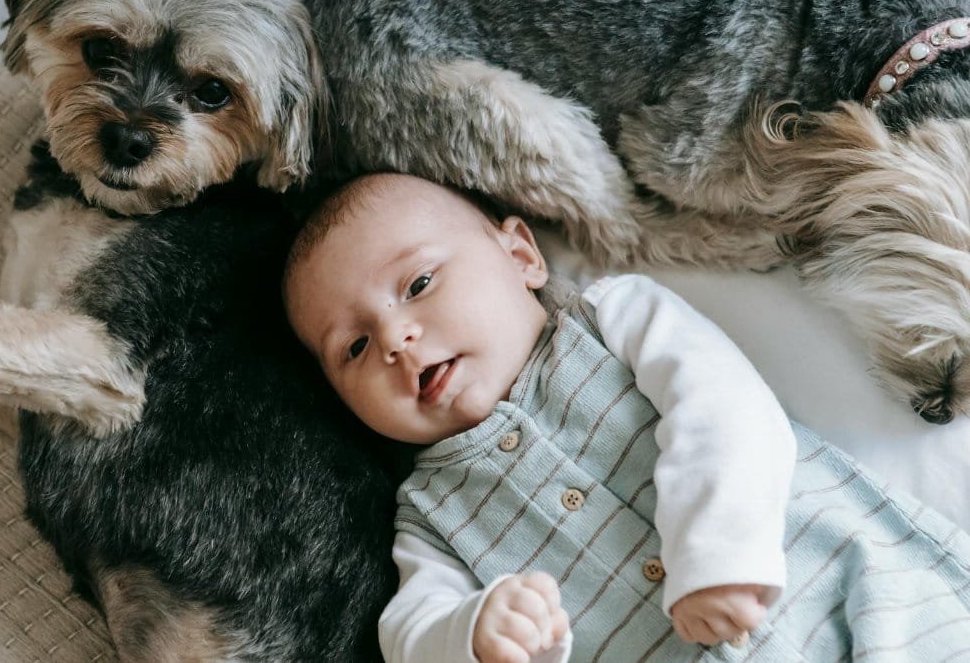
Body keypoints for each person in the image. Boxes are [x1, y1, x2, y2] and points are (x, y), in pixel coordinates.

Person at [282, 173, 970, 663]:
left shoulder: (615, 318)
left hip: (863, 595)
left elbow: (724, 404)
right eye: (355, 346)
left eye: (419, 284)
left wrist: (720, 550)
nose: (397, 338)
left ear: (520, 255)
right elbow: (409, 635)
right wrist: (474, 632)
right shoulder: (428, 517)